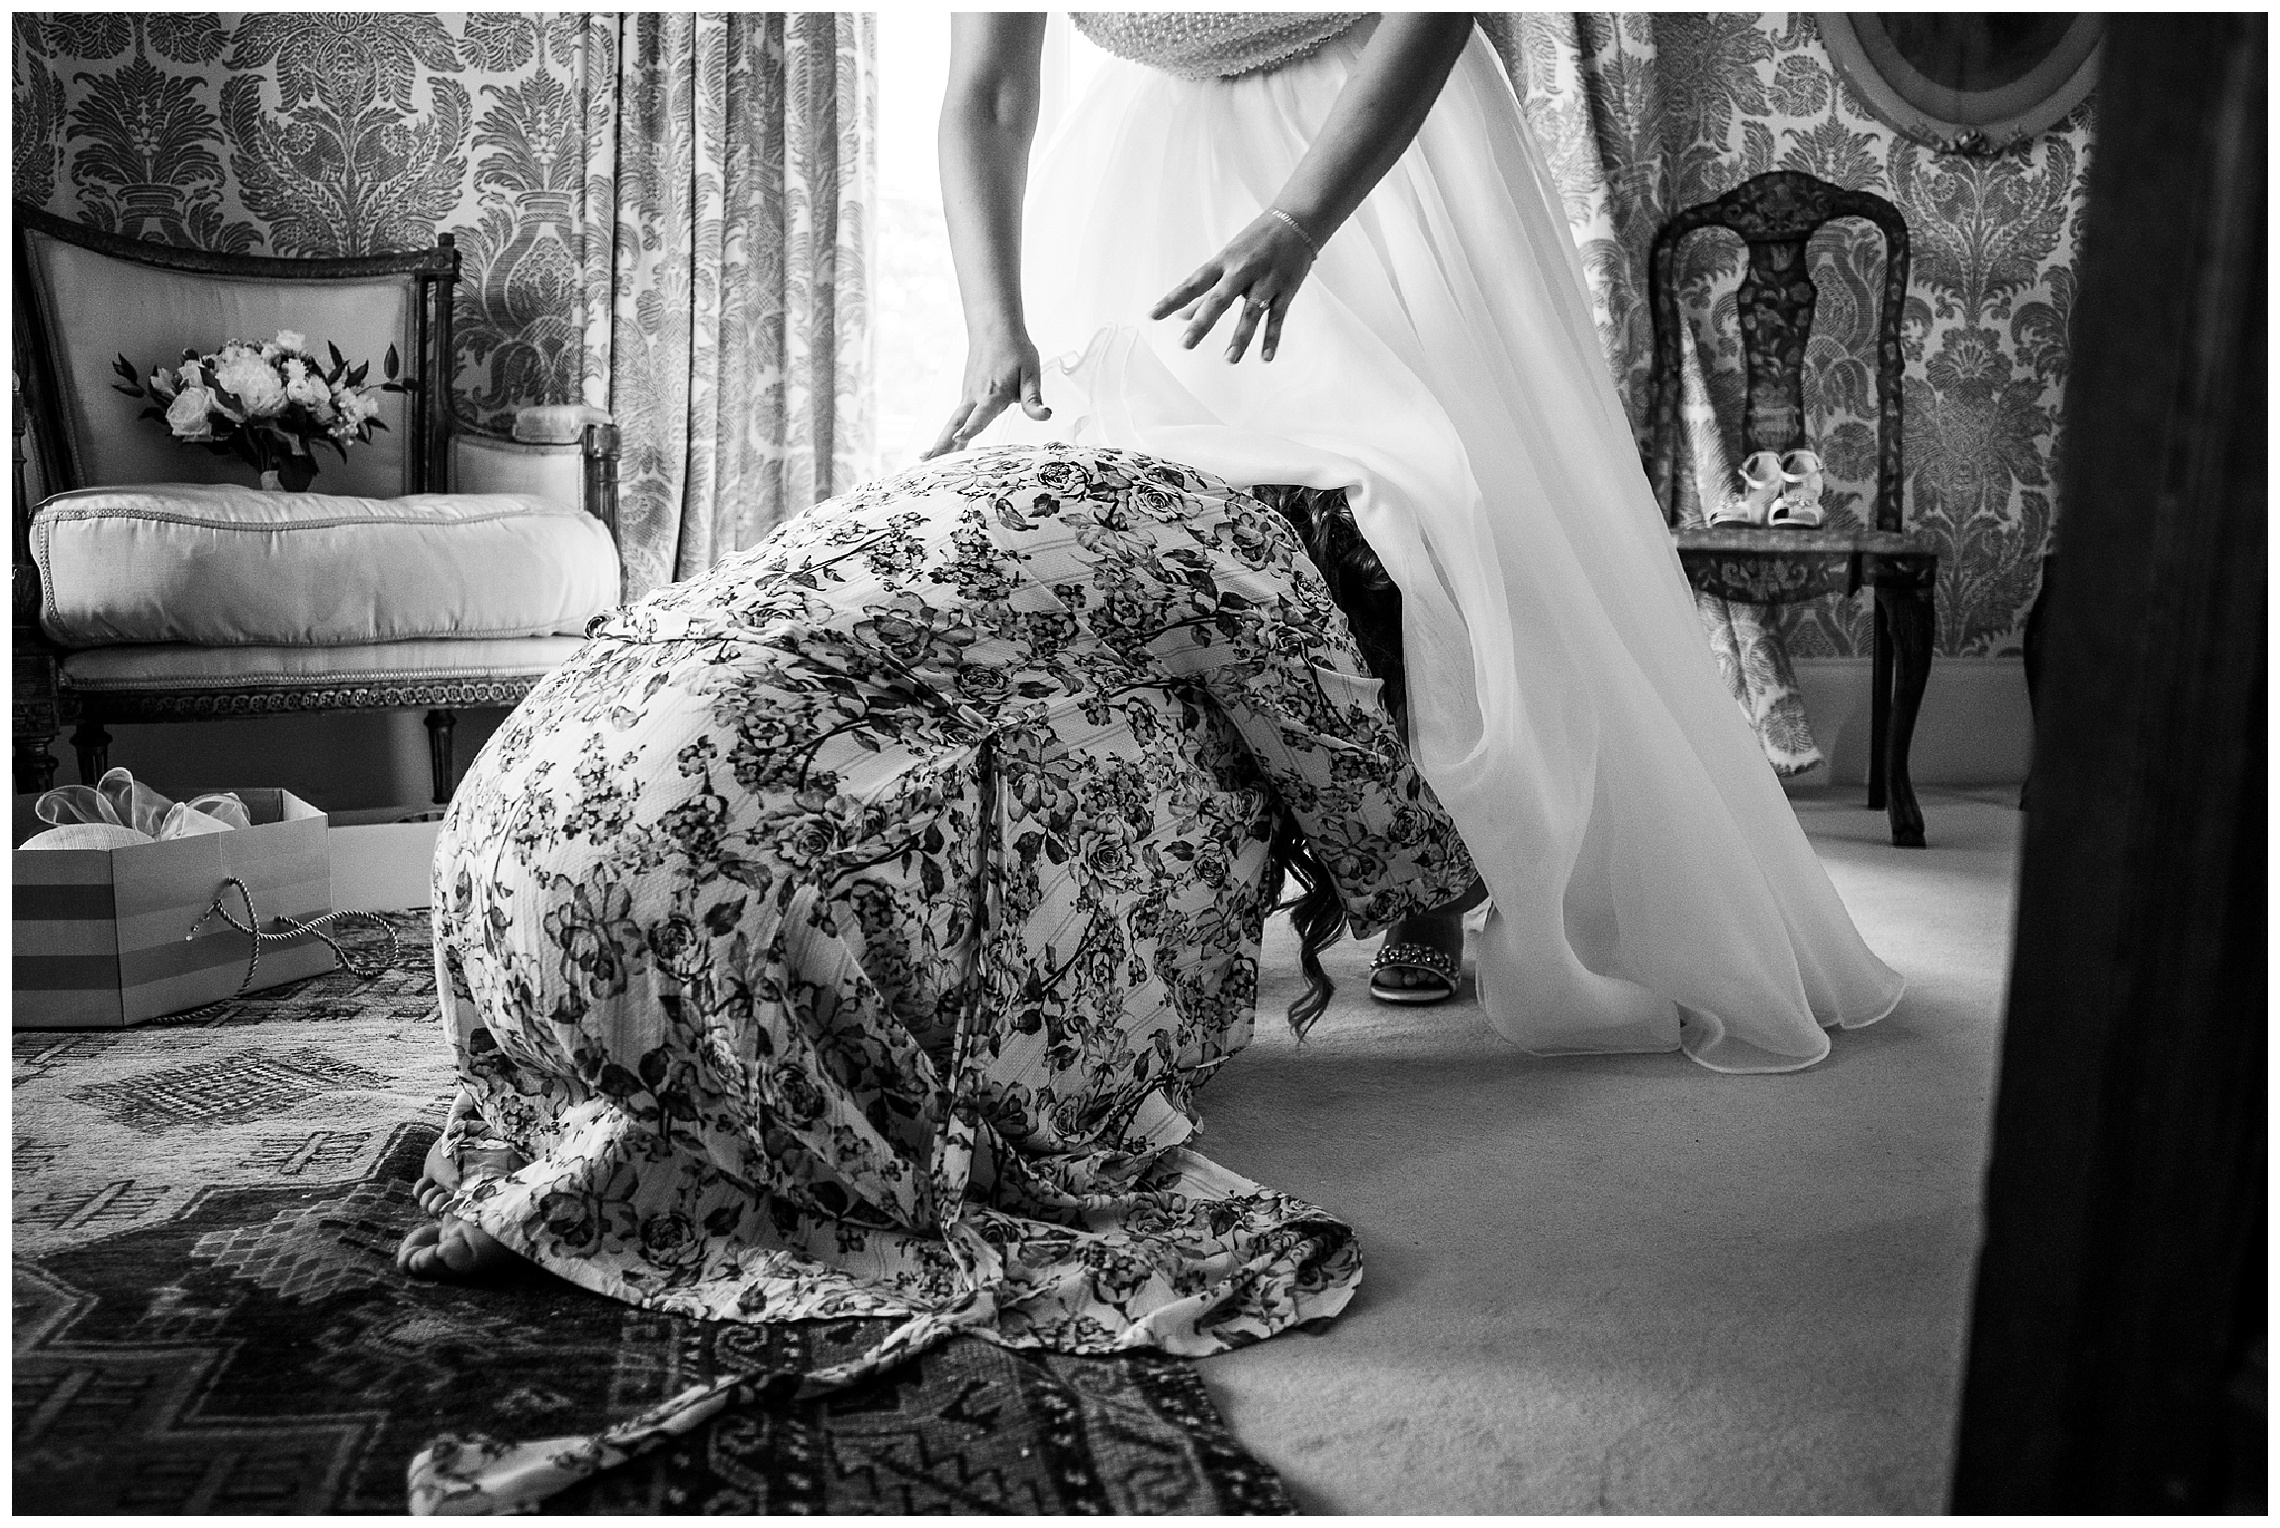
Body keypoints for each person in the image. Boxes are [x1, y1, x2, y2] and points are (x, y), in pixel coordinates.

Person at [395, 443, 1478, 1511]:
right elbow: (1353, 780)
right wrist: (1442, 895)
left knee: (983, 726)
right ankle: (741, 1140)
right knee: (1146, 755)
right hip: (733, 900)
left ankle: (612, 1137)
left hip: (505, 846)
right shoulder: (1255, 548)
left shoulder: (1005, 469)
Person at [932, 12, 1904, 1067]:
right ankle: (1179, 876)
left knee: (1425, 507)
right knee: (1159, 537)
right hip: (1153, 176)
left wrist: (1300, 220)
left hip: (1383, 157)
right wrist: (993, 321)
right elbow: (988, 89)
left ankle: (1437, 866)